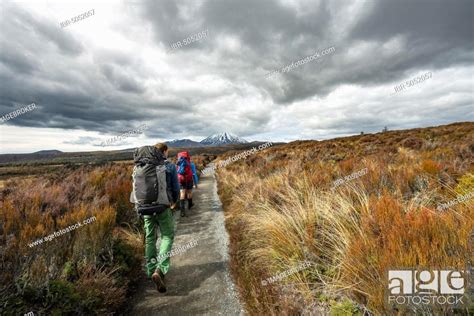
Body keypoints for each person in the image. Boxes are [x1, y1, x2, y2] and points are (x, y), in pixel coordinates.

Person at [131, 143, 179, 293]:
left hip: (145, 208)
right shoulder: (169, 167)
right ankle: (160, 269)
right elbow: (176, 187)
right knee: (167, 236)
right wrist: (174, 202)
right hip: (162, 206)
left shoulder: (138, 166)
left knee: (151, 238)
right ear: (163, 152)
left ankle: (151, 268)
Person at [176, 151, 196, 217]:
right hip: (189, 179)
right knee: (189, 192)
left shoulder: (178, 164)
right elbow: (194, 174)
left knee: (182, 193)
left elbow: (177, 173)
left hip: (181, 180)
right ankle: (190, 205)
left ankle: (182, 211)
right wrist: (195, 183)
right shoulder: (191, 164)